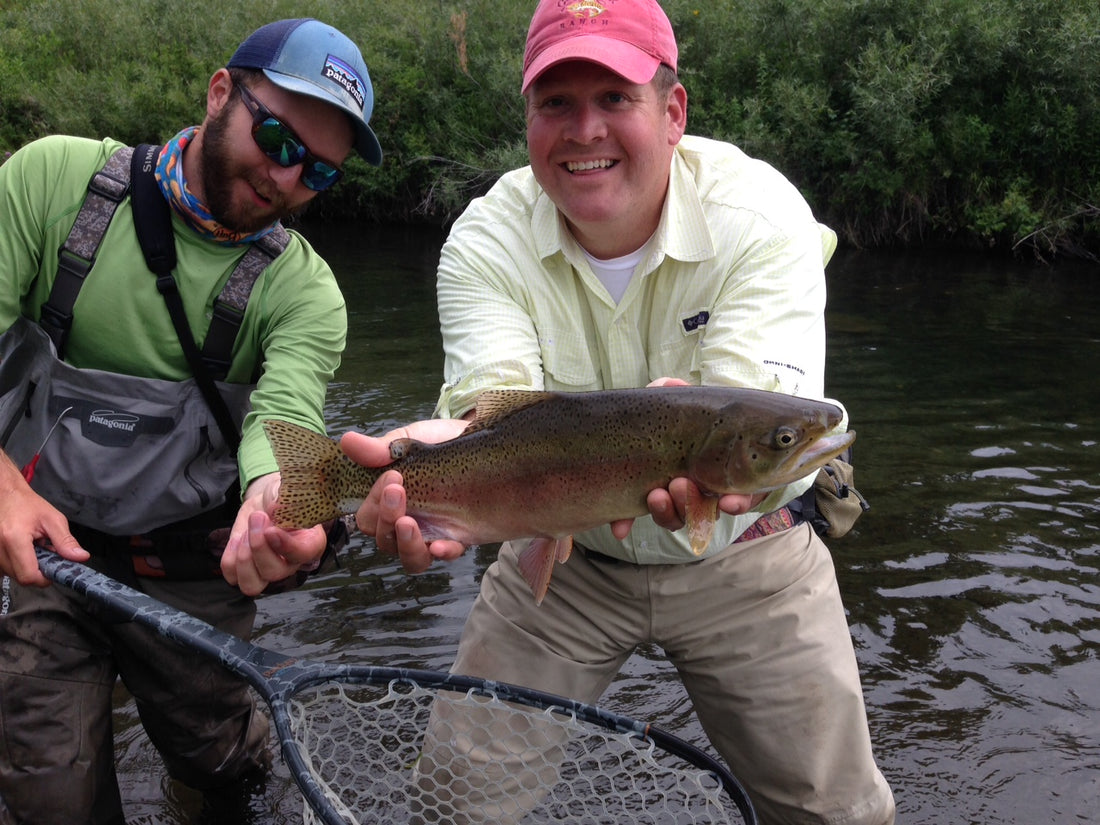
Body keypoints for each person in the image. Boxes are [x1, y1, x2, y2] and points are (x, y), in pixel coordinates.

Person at [347, 1, 896, 823]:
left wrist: (734, 459)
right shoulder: (484, 241)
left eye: (614, 98)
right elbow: (486, 418)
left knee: (836, 814)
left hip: (750, 553)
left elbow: (756, 436)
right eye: (556, 103)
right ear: (528, 117)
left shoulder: (761, 217)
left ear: (672, 112)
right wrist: (429, 462)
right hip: (558, 557)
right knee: (452, 807)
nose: (583, 129)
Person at [0, 18, 382, 823]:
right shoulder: (50, 183)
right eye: (276, 137)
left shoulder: (306, 293)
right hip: (50, 552)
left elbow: (284, 414)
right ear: (219, 93)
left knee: (220, 770)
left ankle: (213, 764)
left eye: (318, 170)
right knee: (48, 797)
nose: (287, 179)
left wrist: (279, 500)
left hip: (192, 573)